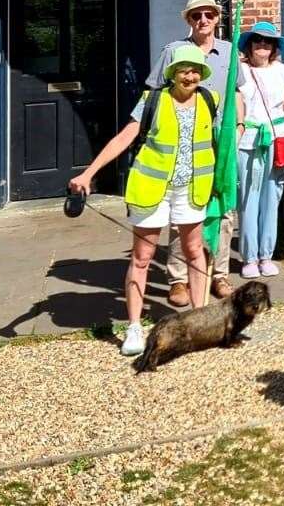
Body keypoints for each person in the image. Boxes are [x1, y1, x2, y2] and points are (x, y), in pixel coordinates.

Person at [69, 43, 215, 357]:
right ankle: (134, 326)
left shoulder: (209, 100)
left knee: (193, 250)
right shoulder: (153, 100)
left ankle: (199, 320)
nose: (188, 76)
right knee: (142, 257)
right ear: (172, 74)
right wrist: (89, 173)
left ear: (201, 74)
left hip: (193, 189)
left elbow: (225, 139)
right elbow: (125, 136)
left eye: (194, 71)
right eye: (182, 70)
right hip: (153, 190)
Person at [141, 0, 246, 305]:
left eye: (209, 15)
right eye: (197, 15)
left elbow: (237, 93)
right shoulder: (175, 51)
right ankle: (179, 279)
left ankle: (219, 273)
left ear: (217, 18)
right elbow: (153, 92)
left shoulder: (229, 51)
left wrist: (239, 127)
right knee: (183, 210)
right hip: (185, 142)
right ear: (189, 20)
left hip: (221, 141)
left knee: (224, 208)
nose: (203, 20)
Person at [236, 20, 284, 279]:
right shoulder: (239, 71)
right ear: (249, 46)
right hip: (249, 139)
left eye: (267, 41)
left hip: (277, 137)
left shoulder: (283, 72)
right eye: (257, 40)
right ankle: (249, 256)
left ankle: (266, 254)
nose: (262, 45)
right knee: (248, 197)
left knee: (272, 197)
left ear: (274, 47)